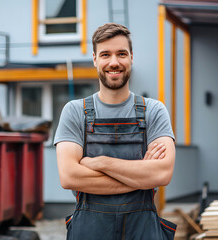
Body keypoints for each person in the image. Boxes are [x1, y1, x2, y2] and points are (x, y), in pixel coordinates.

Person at [54, 23, 177, 240]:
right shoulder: (74, 112)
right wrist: (141, 175)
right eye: (105, 54)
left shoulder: (154, 111)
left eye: (121, 54)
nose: (114, 62)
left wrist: (99, 163)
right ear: (95, 59)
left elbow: (162, 174)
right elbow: (69, 176)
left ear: (131, 57)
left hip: (143, 232)